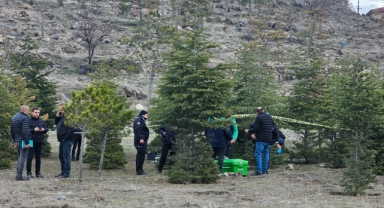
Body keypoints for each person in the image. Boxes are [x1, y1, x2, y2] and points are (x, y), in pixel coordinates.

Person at [245, 107, 280, 175]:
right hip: (269, 139)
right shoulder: (269, 117)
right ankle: (264, 171)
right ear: (263, 110)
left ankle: (259, 170)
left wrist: (249, 131)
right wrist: (277, 141)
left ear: (257, 112)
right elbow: (274, 127)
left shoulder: (258, 117)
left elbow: (256, 128)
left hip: (261, 139)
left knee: (258, 154)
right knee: (266, 154)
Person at [27, 107, 49, 178]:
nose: (37, 114)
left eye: (38, 113)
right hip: (30, 141)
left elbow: (46, 129)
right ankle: (29, 173)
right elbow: (26, 131)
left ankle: (38, 172)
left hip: (39, 141)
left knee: (38, 158)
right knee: (29, 157)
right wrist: (33, 130)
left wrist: (43, 129)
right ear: (32, 112)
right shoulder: (28, 121)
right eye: (36, 112)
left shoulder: (41, 121)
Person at [11, 105, 31, 180]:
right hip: (23, 140)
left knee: (20, 157)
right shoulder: (25, 118)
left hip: (17, 140)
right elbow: (25, 131)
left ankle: (18, 173)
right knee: (23, 157)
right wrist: (27, 142)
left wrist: (14, 141)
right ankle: (19, 175)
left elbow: (11, 130)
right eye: (28, 110)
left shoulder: (14, 117)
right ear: (24, 110)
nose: (28, 112)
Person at [55, 104, 75, 178]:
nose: (60, 111)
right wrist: (57, 117)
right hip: (62, 139)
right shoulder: (62, 117)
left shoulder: (69, 117)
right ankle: (63, 171)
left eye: (61, 110)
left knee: (66, 156)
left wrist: (65, 138)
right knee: (61, 156)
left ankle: (66, 173)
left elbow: (71, 129)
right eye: (60, 110)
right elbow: (57, 124)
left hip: (66, 140)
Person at [133, 110, 149, 175]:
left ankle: (140, 169)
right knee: (140, 154)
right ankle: (138, 170)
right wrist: (141, 138)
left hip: (143, 140)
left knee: (142, 154)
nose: (147, 116)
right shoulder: (138, 120)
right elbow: (138, 130)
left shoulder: (143, 120)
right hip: (140, 140)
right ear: (143, 114)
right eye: (146, 115)